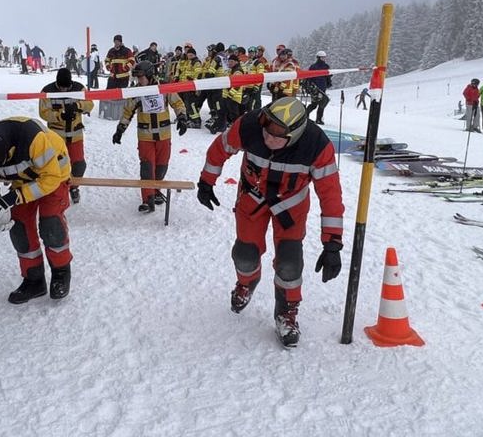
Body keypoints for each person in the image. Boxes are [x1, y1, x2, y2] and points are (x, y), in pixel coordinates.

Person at [196, 97, 344, 347]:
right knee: (245, 254)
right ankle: (245, 284)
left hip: (291, 206)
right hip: (251, 199)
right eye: (266, 128)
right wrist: (206, 181)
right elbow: (220, 148)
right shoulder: (249, 126)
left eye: (277, 135)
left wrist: (332, 243)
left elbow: (330, 194)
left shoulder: (317, 145)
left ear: (295, 134)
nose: (268, 137)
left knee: (289, 262)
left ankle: (287, 311)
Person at [0, 118, 73, 304]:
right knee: (19, 227)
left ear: (7, 154)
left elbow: (50, 178)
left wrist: (12, 198)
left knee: (51, 225)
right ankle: (34, 279)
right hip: (23, 180)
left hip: (55, 174)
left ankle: (61, 273)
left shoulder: (32, 138)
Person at [112, 61, 190, 212]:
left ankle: (156, 190)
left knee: (161, 167)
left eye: (140, 77)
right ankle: (147, 200)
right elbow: (128, 112)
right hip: (145, 137)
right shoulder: (136, 92)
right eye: (137, 78)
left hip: (164, 135)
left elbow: (178, 103)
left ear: (149, 75)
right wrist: (120, 129)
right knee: (147, 167)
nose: (138, 81)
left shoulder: (164, 88)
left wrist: (182, 117)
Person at [40, 68, 94, 204]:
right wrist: (60, 116)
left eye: (66, 87)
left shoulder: (79, 88)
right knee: (56, 167)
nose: (64, 90)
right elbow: (43, 113)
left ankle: (74, 187)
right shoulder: (47, 91)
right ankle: (57, 191)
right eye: (61, 87)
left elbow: (90, 104)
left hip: (76, 136)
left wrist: (77, 106)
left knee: (79, 165)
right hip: (56, 136)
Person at [303, 51, 332, 124]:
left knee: (322, 103)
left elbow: (328, 76)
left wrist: (329, 83)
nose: (324, 59)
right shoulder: (314, 66)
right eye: (322, 57)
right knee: (315, 104)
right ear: (319, 58)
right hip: (315, 89)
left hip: (322, 88)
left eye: (324, 57)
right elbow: (309, 77)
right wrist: (308, 86)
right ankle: (305, 116)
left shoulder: (326, 66)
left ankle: (318, 119)